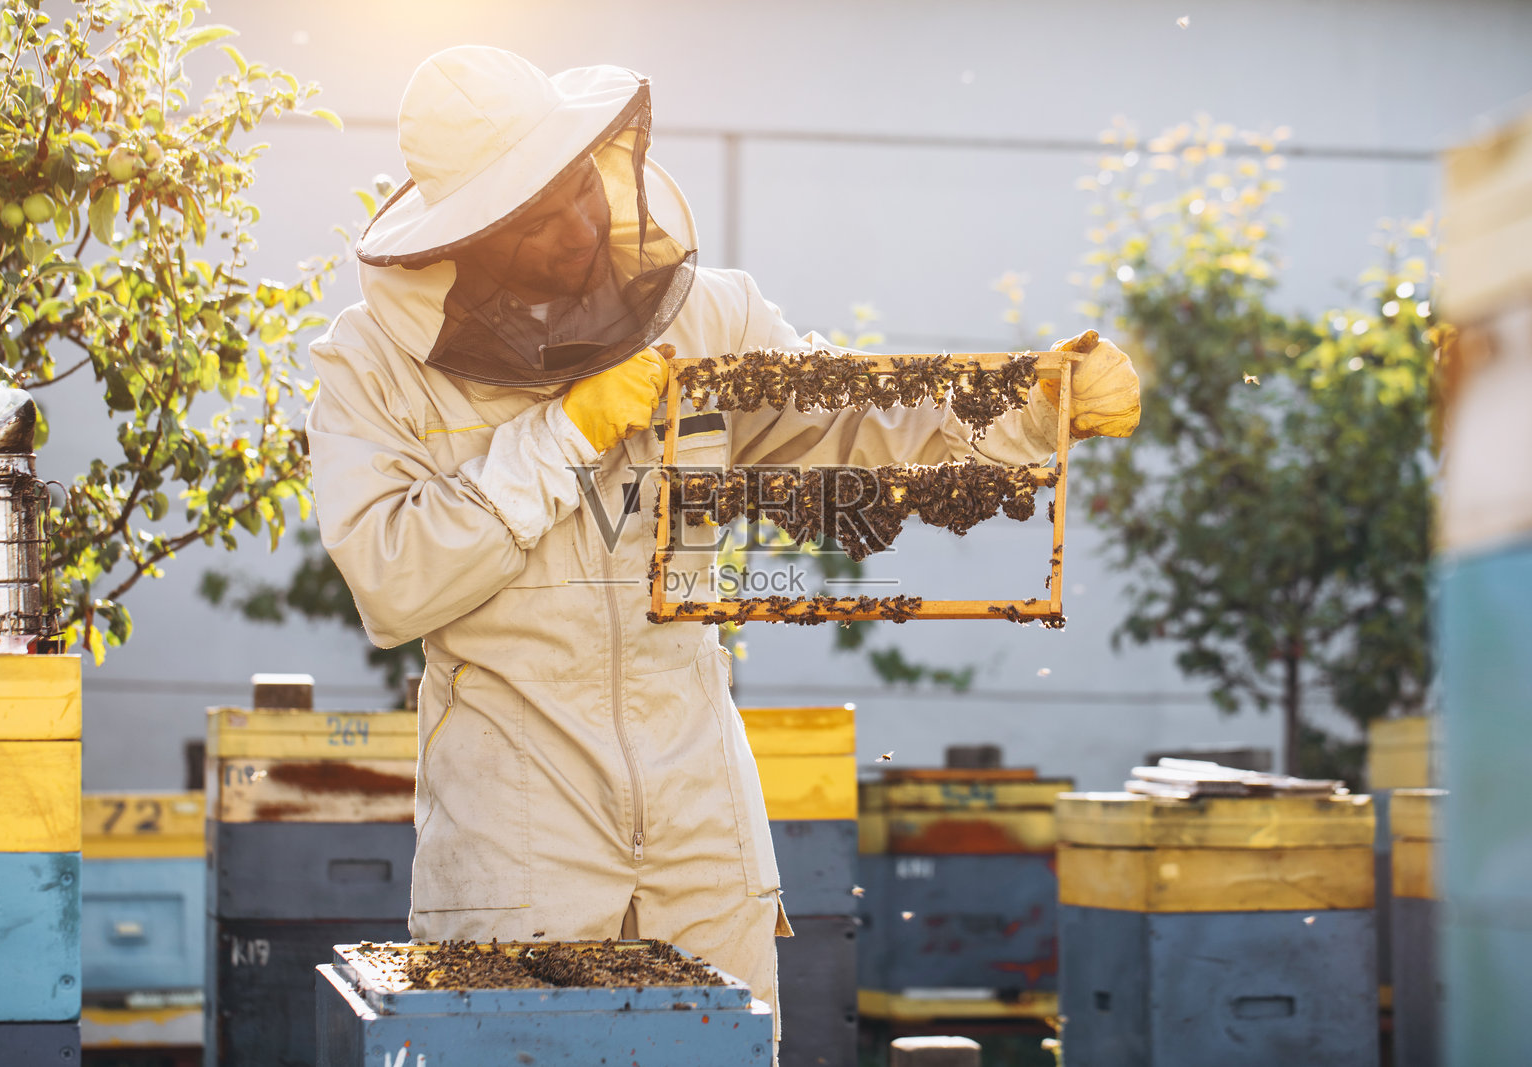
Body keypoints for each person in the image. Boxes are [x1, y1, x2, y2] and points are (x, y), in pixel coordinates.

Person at [306, 44, 1139, 1035]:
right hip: (514, 832)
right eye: (533, 221)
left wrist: (1032, 405)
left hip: (699, 810)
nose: (577, 227)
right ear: (467, 236)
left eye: (579, 190)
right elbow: (393, 580)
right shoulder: (373, 367)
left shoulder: (710, 316)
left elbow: (860, 426)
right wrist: (564, 433)